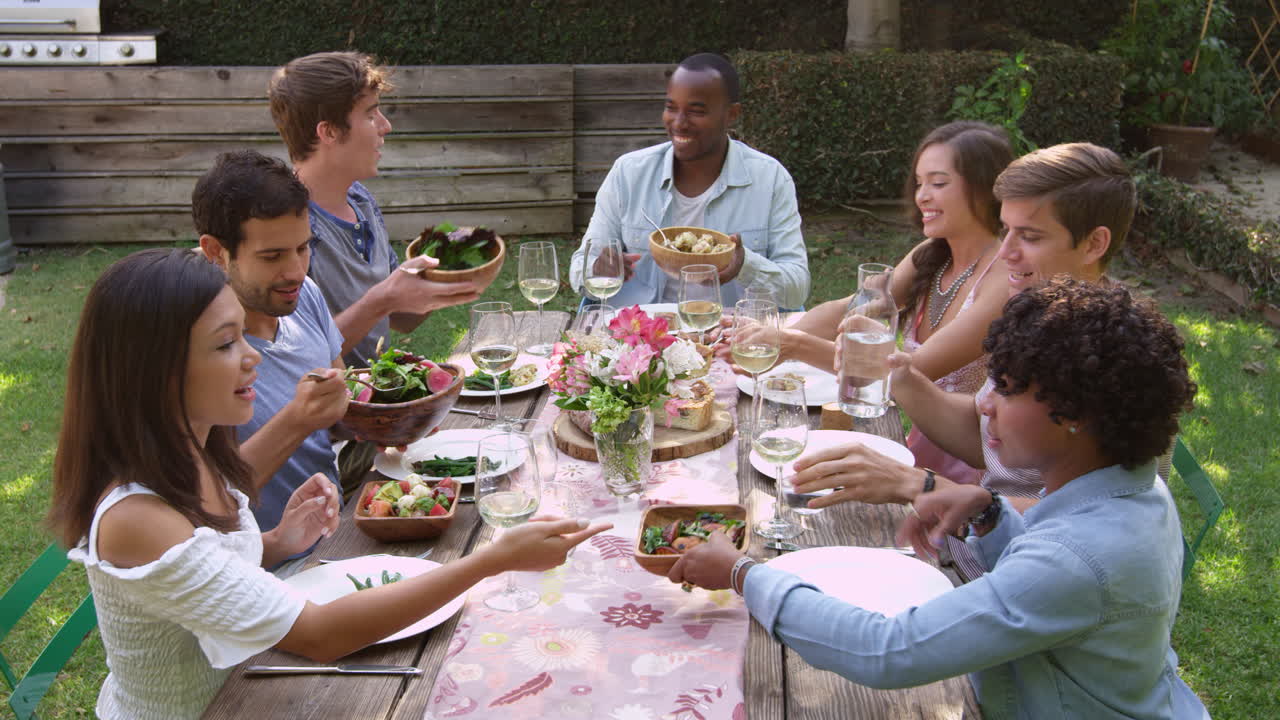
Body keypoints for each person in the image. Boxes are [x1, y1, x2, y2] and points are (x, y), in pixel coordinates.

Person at [48, 249, 611, 720]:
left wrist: (274, 543)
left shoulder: (194, 451)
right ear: (154, 370)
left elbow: (201, 570)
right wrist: (489, 562)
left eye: (244, 336)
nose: (252, 359)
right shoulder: (135, 518)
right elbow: (320, 634)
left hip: (252, 686)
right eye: (225, 345)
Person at [671, 278, 1209, 719]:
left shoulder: (1078, 558)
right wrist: (990, 512)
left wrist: (743, 573)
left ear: (1076, 416)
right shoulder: (1139, 490)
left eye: (1007, 388)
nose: (984, 404)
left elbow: (887, 651)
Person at [791, 142, 1136, 579]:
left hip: (1010, 576)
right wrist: (901, 377)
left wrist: (922, 484)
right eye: (1006, 229)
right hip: (961, 549)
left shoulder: (1122, 354)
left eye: (1028, 236)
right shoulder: (1040, 316)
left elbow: (1100, 522)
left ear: (1094, 244)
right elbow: (984, 431)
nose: (1006, 251)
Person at [269, 50, 481, 489]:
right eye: (370, 114)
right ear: (328, 132)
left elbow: (395, 321)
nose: (385, 126)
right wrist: (383, 296)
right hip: (328, 446)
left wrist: (436, 286)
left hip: (389, 414)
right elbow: (301, 364)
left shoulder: (361, 201)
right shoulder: (284, 233)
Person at [568, 52, 810, 309]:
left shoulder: (769, 179)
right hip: (639, 335)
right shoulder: (629, 173)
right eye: (671, 108)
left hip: (730, 335)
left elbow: (797, 290)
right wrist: (596, 268)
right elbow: (580, 267)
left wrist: (745, 266)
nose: (679, 123)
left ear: (732, 114)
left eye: (697, 111)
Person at [193, 150, 348, 538]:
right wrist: (297, 420)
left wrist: (392, 419)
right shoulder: (189, 346)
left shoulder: (304, 294)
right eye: (272, 256)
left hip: (338, 533)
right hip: (269, 568)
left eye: (303, 247)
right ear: (215, 252)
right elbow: (204, 505)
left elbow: (343, 402)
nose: (296, 270)